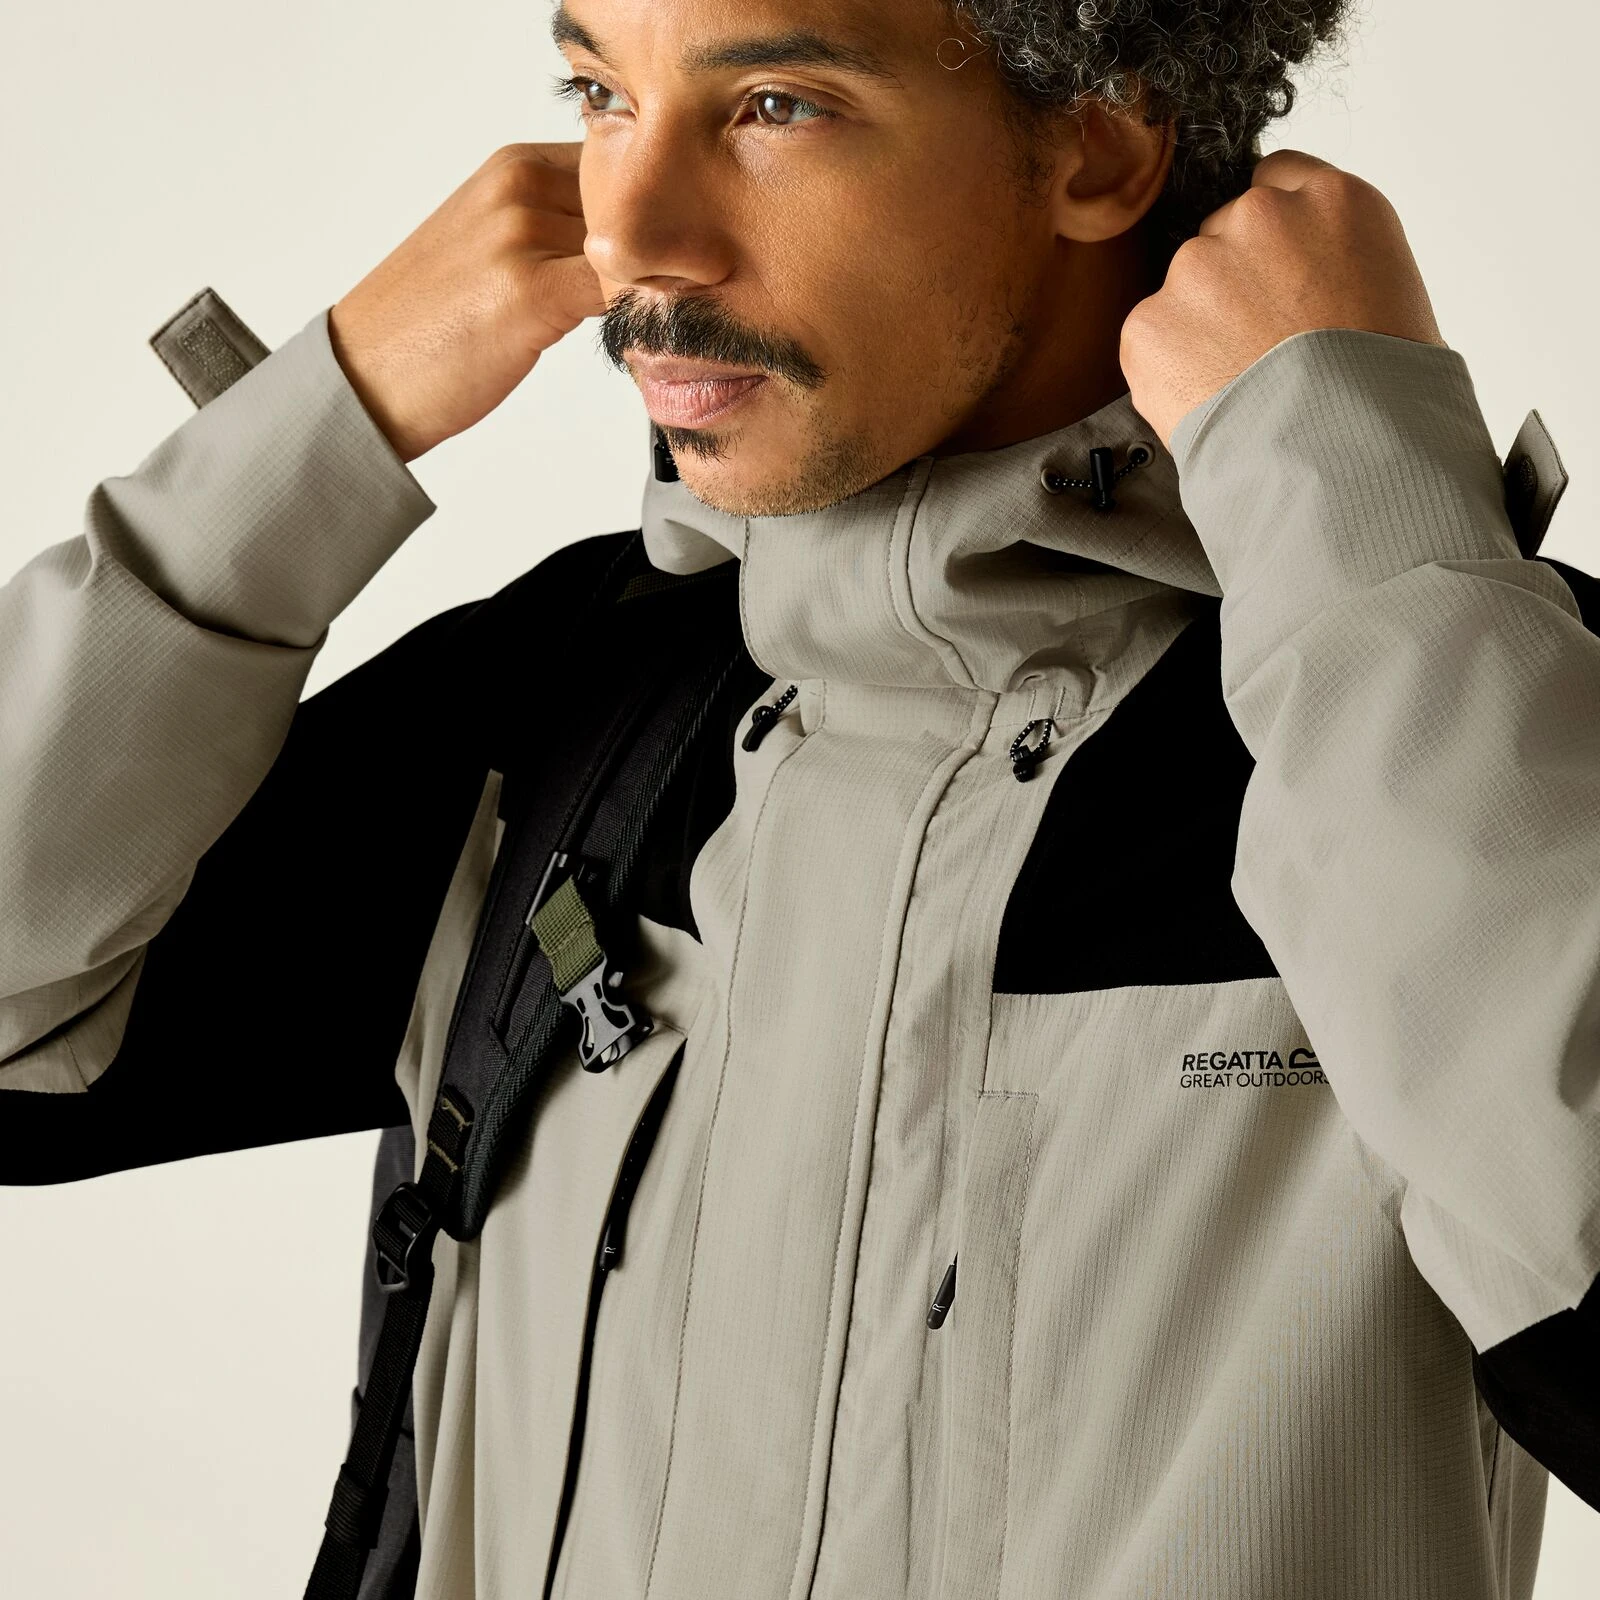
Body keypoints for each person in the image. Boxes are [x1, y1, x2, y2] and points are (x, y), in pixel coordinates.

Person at [3, 0, 1598, 1596]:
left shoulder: (1451, 716)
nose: (631, 234)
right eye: (600, 93)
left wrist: (1372, 532)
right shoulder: (581, 699)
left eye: (773, 104)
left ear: (1101, 141)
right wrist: (325, 422)